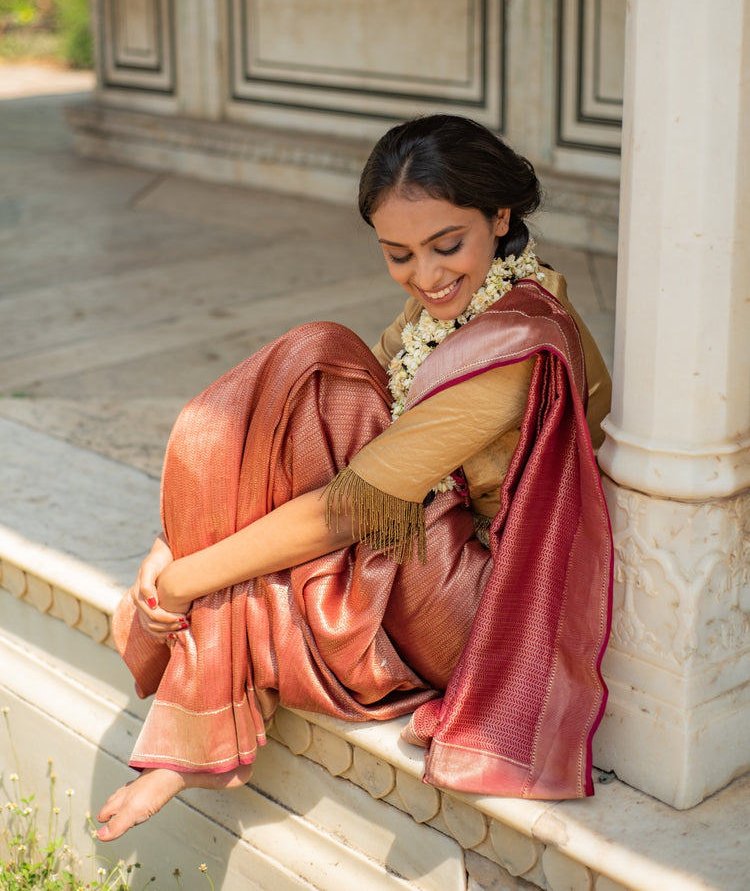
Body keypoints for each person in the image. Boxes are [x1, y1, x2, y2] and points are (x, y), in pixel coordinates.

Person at [97, 114, 612, 842]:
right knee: (317, 368)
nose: (426, 275)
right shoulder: (456, 301)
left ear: (501, 217)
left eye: (447, 245)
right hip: (436, 543)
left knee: (317, 402)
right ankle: (197, 710)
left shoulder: (517, 339)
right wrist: (175, 539)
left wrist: (185, 579)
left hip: (489, 613)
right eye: (397, 254)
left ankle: (194, 716)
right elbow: (353, 409)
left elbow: (346, 508)